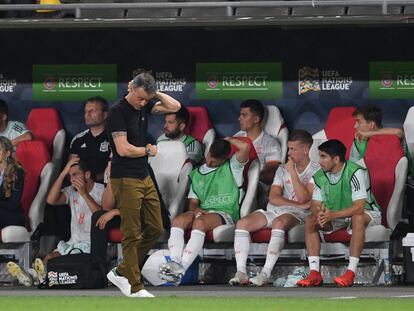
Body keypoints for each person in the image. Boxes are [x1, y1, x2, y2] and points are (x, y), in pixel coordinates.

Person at [105, 70, 181, 298]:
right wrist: (147, 150)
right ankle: (135, 287)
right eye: (140, 97)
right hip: (125, 176)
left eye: (146, 99)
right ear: (130, 88)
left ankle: (121, 270)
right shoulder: (117, 112)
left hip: (143, 175)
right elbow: (122, 149)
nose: (143, 102)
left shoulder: (144, 105)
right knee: (132, 232)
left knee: (156, 227)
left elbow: (175, 106)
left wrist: (153, 92)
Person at [229, 130, 319, 286]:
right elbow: (273, 197)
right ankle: (241, 272)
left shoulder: (316, 170)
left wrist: (292, 172)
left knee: (279, 222)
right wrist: (297, 203)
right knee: (242, 224)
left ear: (305, 150)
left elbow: (304, 197)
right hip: (276, 209)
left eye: (293, 149)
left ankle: (265, 273)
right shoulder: (282, 168)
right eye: (289, 148)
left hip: (299, 214)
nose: (289, 153)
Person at [158, 138, 250, 285]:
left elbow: (245, 147)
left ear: (224, 159)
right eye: (209, 157)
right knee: (177, 221)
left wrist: (228, 139)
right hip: (203, 212)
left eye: (215, 161)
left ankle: (181, 269)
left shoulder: (233, 166)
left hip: (225, 212)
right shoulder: (196, 173)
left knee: (200, 223)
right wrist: (197, 210)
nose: (209, 162)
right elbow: (192, 204)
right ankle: (174, 263)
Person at [296, 140, 381, 287]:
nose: (319, 161)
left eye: (323, 157)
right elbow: (315, 205)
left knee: (357, 218)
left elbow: (359, 207)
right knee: (311, 221)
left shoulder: (355, 172)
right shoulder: (319, 176)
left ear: (336, 159)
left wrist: (332, 215)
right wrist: (320, 215)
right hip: (336, 215)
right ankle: (315, 273)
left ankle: (350, 273)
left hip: (367, 212)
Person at [7, 158, 104, 286]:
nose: (71, 179)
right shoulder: (71, 190)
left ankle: (36, 277)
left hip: (91, 243)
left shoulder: (101, 190)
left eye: (75, 174)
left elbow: (100, 215)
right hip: (73, 242)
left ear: (87, 174)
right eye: (69, 176)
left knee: (62, 262)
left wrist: (84, 194)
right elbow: (51, 200)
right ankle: (32, 276)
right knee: (49, 259)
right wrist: (63, 172)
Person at [234, 99, 282, 206]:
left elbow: (273, 171)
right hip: (234, 183)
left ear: (256, 119)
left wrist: (248, 179)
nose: (239, 119)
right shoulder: (236, 139)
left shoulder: (270, 142)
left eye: (244, 115)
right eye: (240, 115)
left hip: (258, 186)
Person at [351, 104, 413, 177]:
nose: (355, 126)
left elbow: (399, 133)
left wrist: (370, 134)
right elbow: (353, 168)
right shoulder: (358, 141)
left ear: (371, 125)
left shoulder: (391, 138)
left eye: (359, 122)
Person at [69, 96, 110, 183]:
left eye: (93, 111)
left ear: (104, 115)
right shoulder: (78, 139)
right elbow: (70, 169)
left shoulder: (114, 138)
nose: (88, 114)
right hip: (80, 185)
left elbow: (117, 169)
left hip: (106, 187)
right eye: (86, 111)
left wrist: (93, 179)